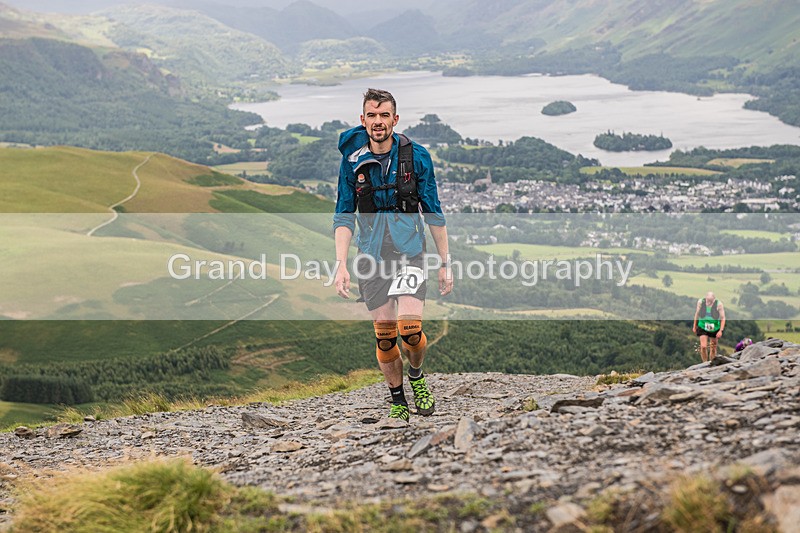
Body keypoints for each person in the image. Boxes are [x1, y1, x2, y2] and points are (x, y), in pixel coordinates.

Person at [333, 88, 453, 422]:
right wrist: (341, 265)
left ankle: (416, 374)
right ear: (363, 120)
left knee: (410, 330)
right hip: (371, 255)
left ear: (395, 120)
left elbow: (433, 212)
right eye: (372, 115)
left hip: (410, 251)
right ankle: (397, 399)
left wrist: (446, 263)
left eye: (384, 115)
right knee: (386, 337)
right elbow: (344, 214)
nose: (378, 122)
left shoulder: (417, 157)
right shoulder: (352, 162)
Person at [692, 291, 726, 362]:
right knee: (703, 346)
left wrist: (720, 330)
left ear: (714, 300)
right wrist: (694, 326)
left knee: (713, 348)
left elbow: (723, 318)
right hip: (703, 326)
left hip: (714, 327)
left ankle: (712, 363)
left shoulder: (719, 304)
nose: (709, 302)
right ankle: (705, 363)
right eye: (708, 300)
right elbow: (697, 314)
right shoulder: (701, 302)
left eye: (710, 301)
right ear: (705, 298)